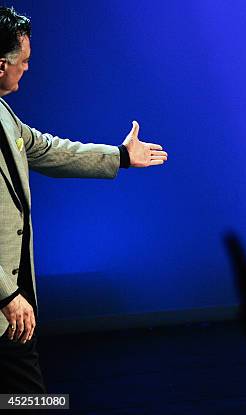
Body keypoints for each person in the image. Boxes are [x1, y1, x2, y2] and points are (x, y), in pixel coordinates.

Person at [0, 7, 167, 393]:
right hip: (7, 305)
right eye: (22, 61)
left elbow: (47, 149)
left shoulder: (4, 115)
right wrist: (7, 294)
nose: (27, 68)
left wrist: (121, 156)